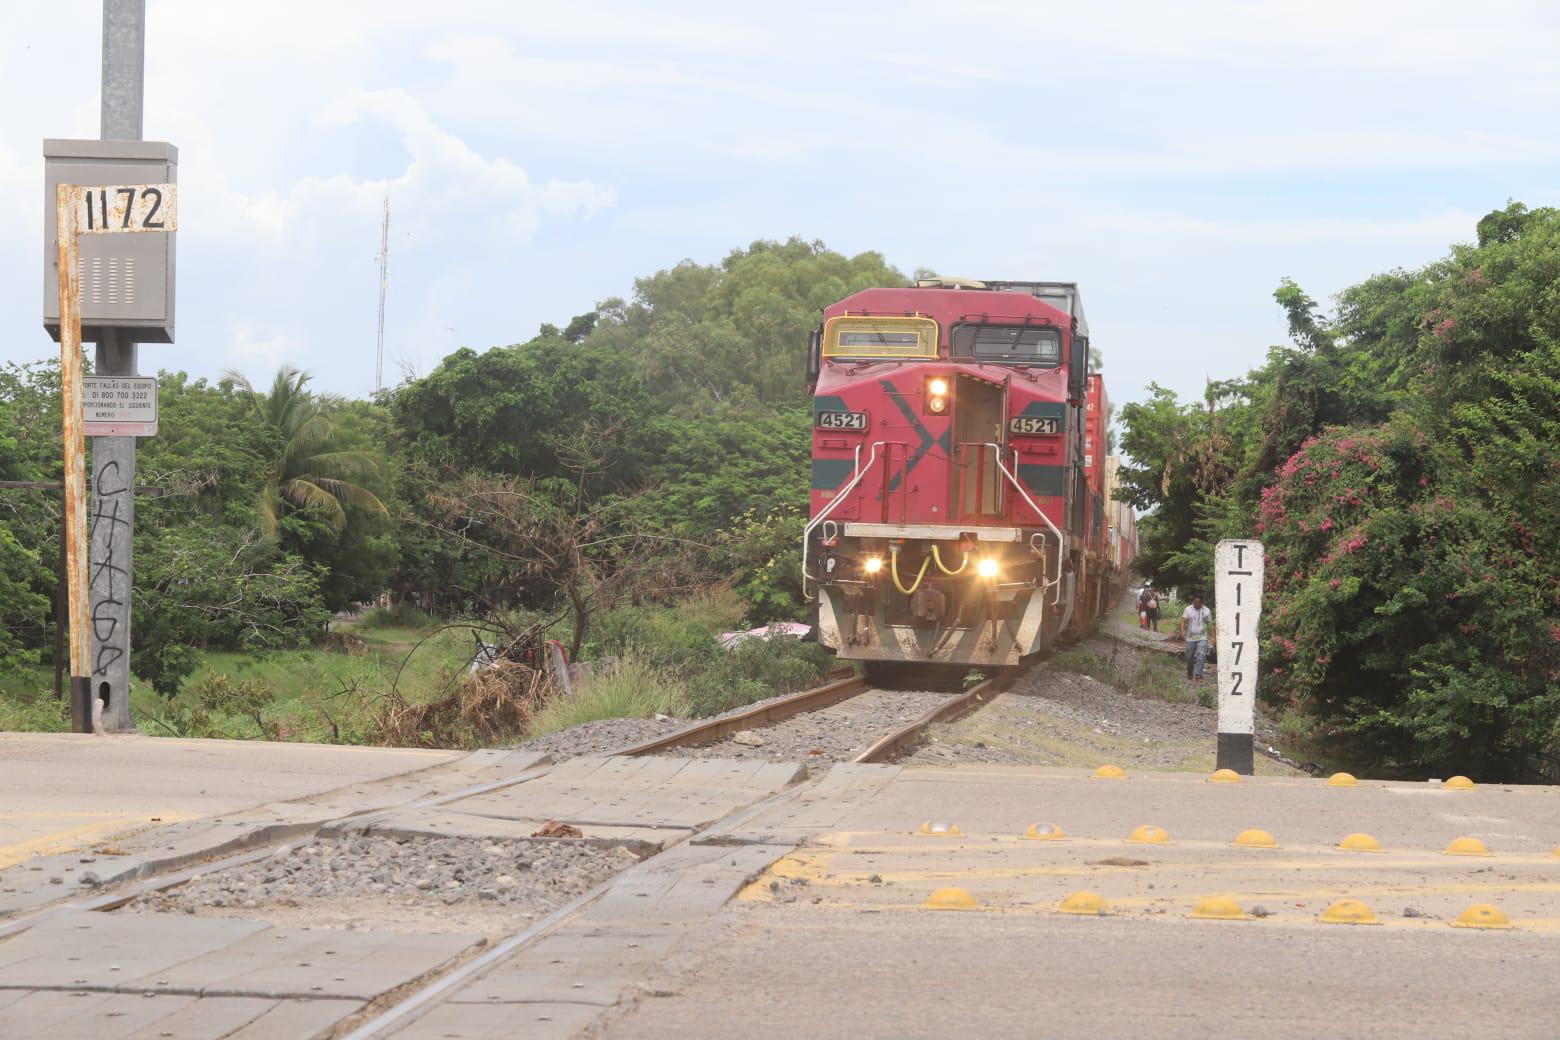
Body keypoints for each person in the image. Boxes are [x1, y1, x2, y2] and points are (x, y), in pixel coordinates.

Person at [1178, 594, 1214, 681]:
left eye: (1199, 602)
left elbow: (1210, 624)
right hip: (1191, 637)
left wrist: (1213, 637)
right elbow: (1183, 621)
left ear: (1202, 603)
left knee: (1201, 655)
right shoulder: (1188, 609)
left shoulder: (1207, 610)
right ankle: (1190, 671)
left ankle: (1198, 675)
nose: (1197, 604)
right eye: (1195, 602)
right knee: (1189, 656)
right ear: (1193, 602)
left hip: (1202, 636)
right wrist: (1182, 632)